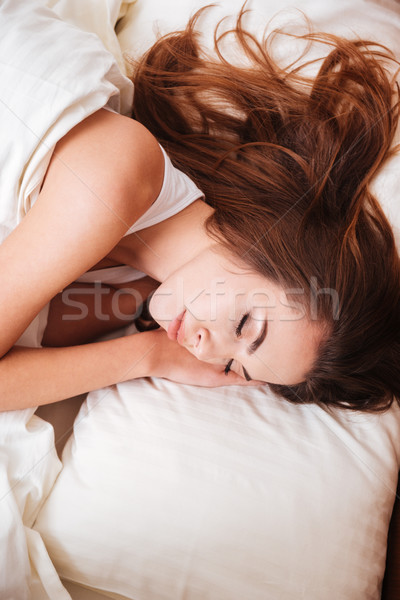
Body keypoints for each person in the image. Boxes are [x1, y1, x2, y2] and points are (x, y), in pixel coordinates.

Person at [0, 4, 399, 412]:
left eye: (233, 365)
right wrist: (149, 357)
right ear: (262, 239)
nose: (204, 352)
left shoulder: (134, 284)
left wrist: (149, 346)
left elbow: (25, 358)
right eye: (245, 326)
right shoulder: (118, 179)